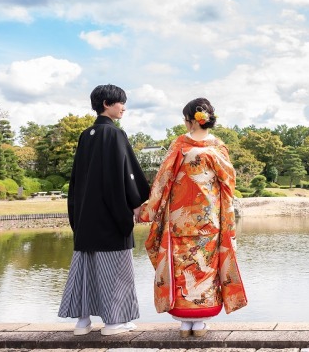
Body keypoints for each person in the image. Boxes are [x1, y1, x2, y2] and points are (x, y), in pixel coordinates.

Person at [139, 97, 247, 337]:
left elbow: (162, 180)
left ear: (190, 121)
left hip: (179, 219)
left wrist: (149, 209)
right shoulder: (218, 147)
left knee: (181, 266)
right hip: (210, 219)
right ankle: (200, 323)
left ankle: (184, 322)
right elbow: (228, 183)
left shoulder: (179, 144)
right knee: (205, 266)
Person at [58, 84, 151, 336]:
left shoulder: (85, 135)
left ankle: (82, 322)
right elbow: (125, 175)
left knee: (85, 270)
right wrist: (137, 202)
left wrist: (76, 213)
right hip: (110, 214)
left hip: (85, 214)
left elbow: (77, 178)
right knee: (116, 270)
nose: (124, 107)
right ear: (107, 104)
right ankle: (113, 323)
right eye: (120, 102)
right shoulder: (115, 135)